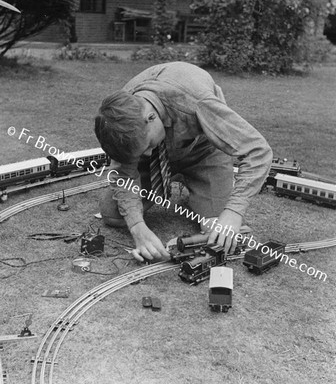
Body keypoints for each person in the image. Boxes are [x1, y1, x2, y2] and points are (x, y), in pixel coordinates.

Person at [94, 62, 272, 262]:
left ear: (150, 117)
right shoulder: (120, 117)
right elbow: (123, 173)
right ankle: (179, 185)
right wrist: (138, 229)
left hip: (203, 152)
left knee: (217, 227)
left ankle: (200, 189)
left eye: (148, 145)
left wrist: (233, 213)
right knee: (113, 214)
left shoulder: (196, 100)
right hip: (159, 160)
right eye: (141, 152)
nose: (147, 152)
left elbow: (258, 151)